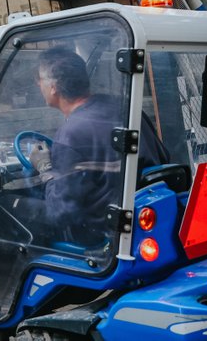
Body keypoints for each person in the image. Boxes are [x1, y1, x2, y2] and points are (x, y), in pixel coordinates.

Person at [30, 46, 167, 245]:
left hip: (100, 235)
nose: (37, 84)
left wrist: (44, 168)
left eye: (39, 80)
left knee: (12, 209)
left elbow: (60, 213)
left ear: (53, 87)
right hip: (145, 216)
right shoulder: (126, 109)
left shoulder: (70, 135)